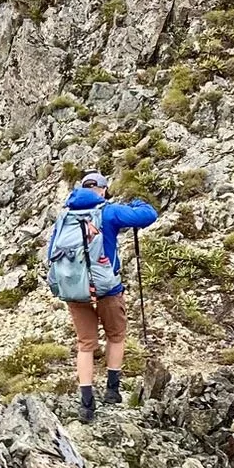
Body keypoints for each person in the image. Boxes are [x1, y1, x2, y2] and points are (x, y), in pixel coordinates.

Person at [48, 170, 157, 424]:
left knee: (85, 344)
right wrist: (138, 203)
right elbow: (148, 215)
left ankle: (86, 403)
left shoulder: (64, 216)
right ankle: (112, 390)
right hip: (107, 288)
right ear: (103, 189)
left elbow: (51, 254)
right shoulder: (108, 212)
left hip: (75, 290)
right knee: (116, 336)